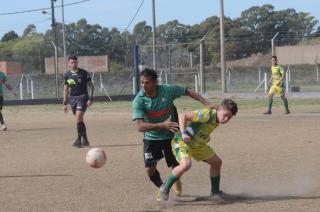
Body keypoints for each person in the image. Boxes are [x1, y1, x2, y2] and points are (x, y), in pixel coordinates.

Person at [132, 68, 216, 201]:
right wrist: (162, 125)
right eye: (141, 83)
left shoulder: (167, 90)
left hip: (171, 136)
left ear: (155, 82)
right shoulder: (139, 100)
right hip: (151, 138)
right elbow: (140, 126)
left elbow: (187, 92)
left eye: (146, 83)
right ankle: (163, 187)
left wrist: (206, 103)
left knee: (177, 165)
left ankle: (170, 185)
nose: (143, 86)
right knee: (150, 170)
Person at [159, 99, 238, 201]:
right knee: (186, 165)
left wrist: (205, 137)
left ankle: (215, 192)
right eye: (225, 115)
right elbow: (183, 116)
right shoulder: (207, 114)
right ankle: (164, 188)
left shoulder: (217, 117)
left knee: (216, 162)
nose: (226, 119)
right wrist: (183, 133)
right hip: (182, 142)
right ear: (220, 109)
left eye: (229, 117)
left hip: (197, 144)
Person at [63, 56, 94, 148]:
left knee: (79, 117)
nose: (73, 64)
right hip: (72, 99)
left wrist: (90, 98)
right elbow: (65, 89)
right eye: (72, 62)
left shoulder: (84, 73)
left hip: (82, 97)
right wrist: (64, 103)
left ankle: (78, 140)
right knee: (79, 120)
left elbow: (91, 86)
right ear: (69, 63)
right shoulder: (67, 75)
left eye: (75, 62)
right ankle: (85, 140)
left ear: (78, 63)